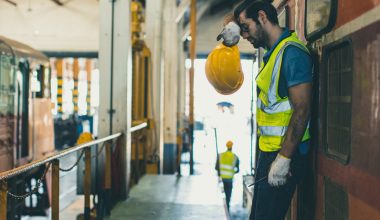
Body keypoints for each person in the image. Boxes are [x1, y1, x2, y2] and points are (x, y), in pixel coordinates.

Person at [218, 1, 313, 219]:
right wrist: (232, 25)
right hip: (269, 153)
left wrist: (284, 158)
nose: (243, 35)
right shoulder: (273, 53)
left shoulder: (292, 53)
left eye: (245, 27)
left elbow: (302, 109)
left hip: (284, 156)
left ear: (262, 17)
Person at [215, 140, 240, 211]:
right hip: (229, 180)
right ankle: (227, 209)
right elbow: (237, 170)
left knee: (221, 196)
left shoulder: (220, 155)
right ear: (232, 147)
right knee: (228, 196)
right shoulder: (235, 157)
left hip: (221, 179)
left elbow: (216, 168)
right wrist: (232, 172)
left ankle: (222, 209)